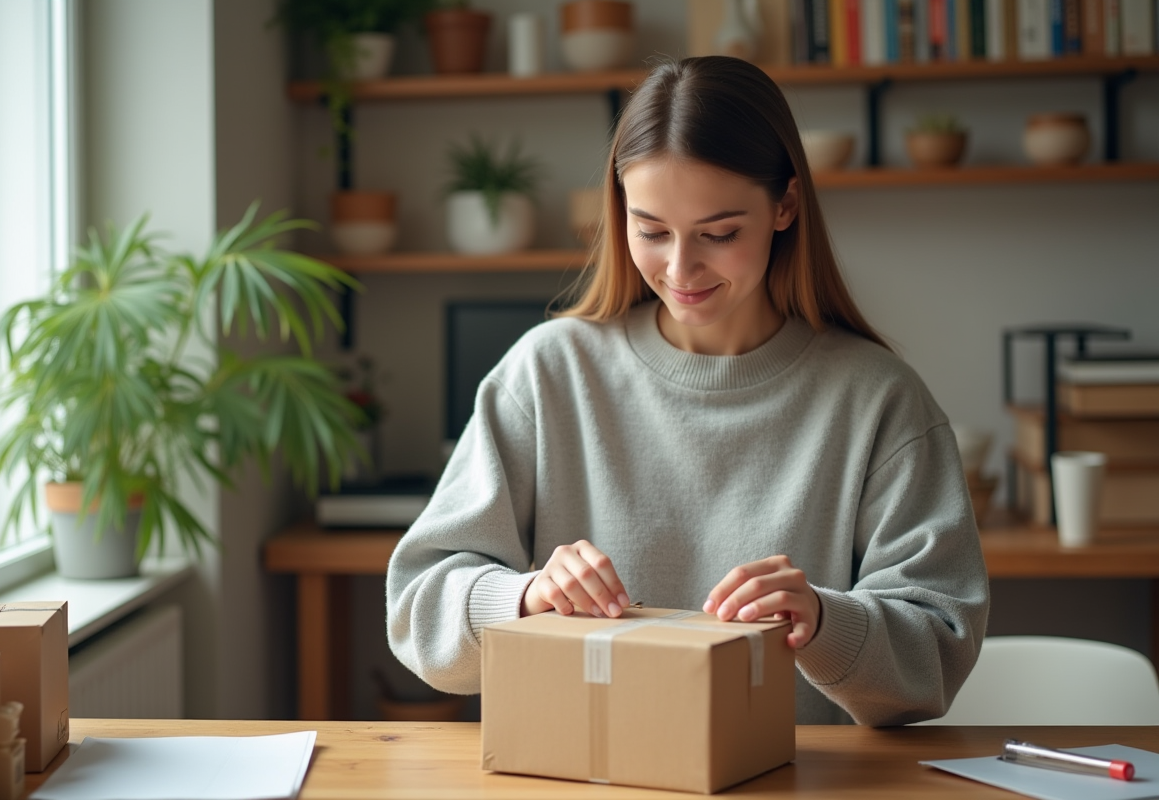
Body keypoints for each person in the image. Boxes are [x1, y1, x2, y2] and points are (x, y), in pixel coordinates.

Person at [386, 56, 989, 726]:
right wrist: (524, 596)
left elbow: (935, 659)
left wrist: (823, 621)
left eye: (719, 233)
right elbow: (418, 611)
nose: (679, 269)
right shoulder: (546, 374)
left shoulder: (880, 401)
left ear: (786, 205)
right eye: (651, 230)